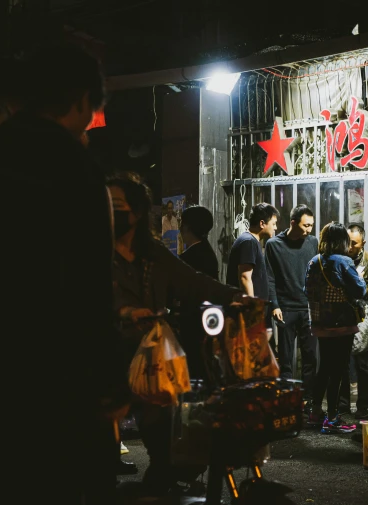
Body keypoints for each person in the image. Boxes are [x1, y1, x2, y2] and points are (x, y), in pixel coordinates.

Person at [0, 45, 124, 505]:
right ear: (83, 101)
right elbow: (91, 284)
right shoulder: (75, 166)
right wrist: (109, 379)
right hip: (57, 369)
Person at [108, 172, 243, 496]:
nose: (111, 213)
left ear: (137, 212)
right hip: (108, 359)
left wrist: (235, 296)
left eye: (117, 206)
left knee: (164, 448)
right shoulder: (93, 254)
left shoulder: (152, 254)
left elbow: (193, 280)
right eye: (107, 206)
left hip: (154, 362)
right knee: (97, 456)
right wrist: (123, 313)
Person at [305, 222, 366, 434]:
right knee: (338, 370)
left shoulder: (314, 261)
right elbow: (359, 289)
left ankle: (314, 412)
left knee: (324, 368)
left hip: (321, 323)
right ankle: (332, 418)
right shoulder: (344, 261)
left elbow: (307, 289)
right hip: (342, 324)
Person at [265, 205, 318, 397]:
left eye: (311, 225)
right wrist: (275, 305)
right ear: (293, 223)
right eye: (305, 225)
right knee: (286, 359)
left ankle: (309, 399)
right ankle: (287, 399)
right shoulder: (273, 244)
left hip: (309, 309)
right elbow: (269, 277)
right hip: (285, 308)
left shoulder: (313, 242)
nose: (309, 230)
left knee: (310, 358)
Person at [338, 223, 368, 418]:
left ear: (363, 242)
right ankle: (343, 404)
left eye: (354, 244)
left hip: (363, 313)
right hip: (341, 313)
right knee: (342, 362)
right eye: (347, 242)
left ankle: (363, 405)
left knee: (362, 362)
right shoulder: (339, 259)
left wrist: (359, 286)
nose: (349, 247)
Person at [226, 202, 279, 300]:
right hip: (248, 310)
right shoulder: (248, 242)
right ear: (262, 223)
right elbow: (245, 277)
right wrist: (251, 307)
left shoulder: (251, 241)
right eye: (273, 224)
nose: (275, 228)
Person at [179, 205, 218, 279]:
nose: (180, 229)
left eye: (182, 224)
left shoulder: (187, 259)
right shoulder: (208, 252)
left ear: (187, 227)